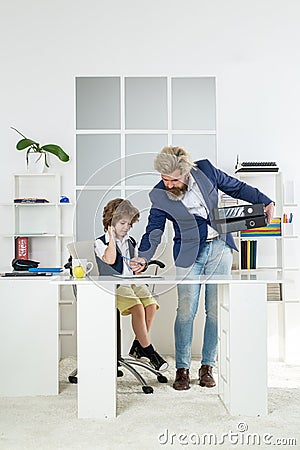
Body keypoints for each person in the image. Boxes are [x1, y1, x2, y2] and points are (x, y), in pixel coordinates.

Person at [130, 146, 274, 390]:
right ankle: (182, 369)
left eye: (174, 179)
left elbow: (236, 187)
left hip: (219, 247)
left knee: (215, 310)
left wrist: (266, 201)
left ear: (186, 172)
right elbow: (154, 229)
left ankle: (208, 366)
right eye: (164, 179)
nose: (168, 184)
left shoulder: (206, 170)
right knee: (186, 311)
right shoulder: (159, 194)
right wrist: (143, 257)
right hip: (188, 254)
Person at [94, 198, 168, 372]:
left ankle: (138, 345)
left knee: (151, 305)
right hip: (115, 285)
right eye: (122, 223)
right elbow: (110, 259)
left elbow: (134, 268)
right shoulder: (100, 242)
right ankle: (150, 352)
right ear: (111, 222)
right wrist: (112, 237)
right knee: (138, 308)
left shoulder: (130, 241)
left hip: (132, 282)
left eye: (129, 224)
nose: (126, 227)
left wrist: (139, 266)